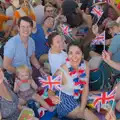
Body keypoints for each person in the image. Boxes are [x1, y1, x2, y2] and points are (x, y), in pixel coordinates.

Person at [49, 41, 99, 120]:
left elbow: (85, 87)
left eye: (77, 53)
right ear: (67, 55)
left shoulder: (85, 65)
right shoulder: (61, 71)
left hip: (79, 94)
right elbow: (50, 87)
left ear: (82, 55)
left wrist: (82, 108)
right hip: (64, 100)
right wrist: (52, 97)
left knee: (101, 97)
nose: (74, 57)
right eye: (71, 53)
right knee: (87, 114)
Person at [3, 16, 46, 85]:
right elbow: (6, 65)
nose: (26, 29)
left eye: (28, 26)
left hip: (29, 72)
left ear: (31, 28)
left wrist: (40, 68)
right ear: (18, 28)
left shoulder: (31, 41)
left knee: (44, 84)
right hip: (15, 76)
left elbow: (32, 58)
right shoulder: (11, 44)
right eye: (23, 27)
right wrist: (22, 75)